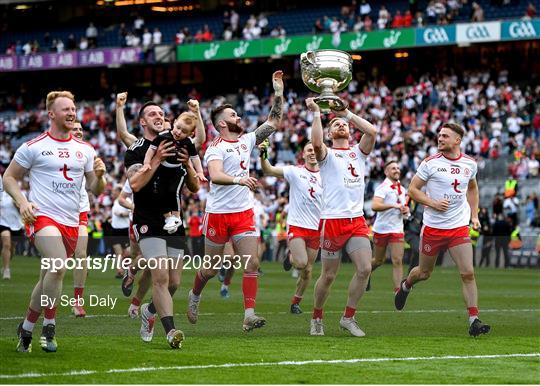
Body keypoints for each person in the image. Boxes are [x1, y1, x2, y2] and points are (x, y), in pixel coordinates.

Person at [3, 91, 106, 353]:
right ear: (51, 114)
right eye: (66, 110)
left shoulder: (85, 149)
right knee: (59, 266)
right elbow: (9, 178)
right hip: (42, 217)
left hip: (71, 220)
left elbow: (95, 188)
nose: (72, 113)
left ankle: (26, 327)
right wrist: (23, 202)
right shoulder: (33, 146)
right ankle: (49, 324)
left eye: (74, 109)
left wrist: (101, 177)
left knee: (48, 276)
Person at [186, 70, 284, 332]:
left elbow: (273, 122)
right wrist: (240, 180)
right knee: (209, 269)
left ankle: (248, 315)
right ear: (221, 124)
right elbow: (215, 175)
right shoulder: (215, 147)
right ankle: (194, 296)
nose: (238, 117)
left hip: (242, 213)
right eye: (233, 115)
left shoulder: (247, 140)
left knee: (252, 262)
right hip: (218, 214)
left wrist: (278, 92)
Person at [394, 123, 491, 337]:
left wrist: (474, 216)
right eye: (439, 135)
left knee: (468, 272)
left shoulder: (470, 164)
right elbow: (412, 190)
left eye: (445, 136)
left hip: (458, 227)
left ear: (457, 140)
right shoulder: (430, 163)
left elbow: (472, 188)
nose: (440, 138)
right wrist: (432, 202)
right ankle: (407, 285)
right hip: (433, 228)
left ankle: (474, 320)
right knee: (424, 273)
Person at [124, 101, 200, 349]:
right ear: (142, 122)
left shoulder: (179, 143)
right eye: (152, 113)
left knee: (175, 282)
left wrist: (188, 164)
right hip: (147, 219)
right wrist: (155, 160)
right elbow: (134, 185)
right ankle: (171, 331)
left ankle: (148, 311)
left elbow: (195, 187)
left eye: (161, 113)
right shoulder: (137, 150)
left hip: (174, 219)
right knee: (160, 276)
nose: (159, 116)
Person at [309, 97, 378, 337]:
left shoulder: (358, 153)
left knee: (364, 269)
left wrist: (346, 113)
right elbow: (316, 143)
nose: (341, 126)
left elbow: (371, 131)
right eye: (335, 124)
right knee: (328, 276)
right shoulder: (327, 154)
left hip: (356, 220)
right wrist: (317, 114)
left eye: (344, 125)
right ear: (329, 133)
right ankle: (317, 316)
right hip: (332, 220)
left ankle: (348, 317)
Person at [258, 139, 322, 314]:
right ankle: (291, 257)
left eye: (314, 149)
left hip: (317, 228)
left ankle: (295, 302)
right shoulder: (295, 171)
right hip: (297, 225)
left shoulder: (327, 174)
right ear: (303, 154)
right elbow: (268, 170)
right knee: (301, 263)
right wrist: (264, 154)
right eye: (308, 150)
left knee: (308, 271)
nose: (311, 152)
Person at [142, 111, 206, 233]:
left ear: (190, 134)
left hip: (177, 170)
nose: (178, 132)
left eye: (183, 132)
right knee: (160, 193)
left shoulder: (188, 142)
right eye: (178, 128)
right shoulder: (163, 136)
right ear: (175, 122)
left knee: (173, 192)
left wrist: (200, 172)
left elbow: (195, 157)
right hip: (162, 169)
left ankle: (176, 217)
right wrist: (146, 163)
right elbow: (151, 149)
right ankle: (168, 219)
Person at [368, 160, 409, 293]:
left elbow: (403, 208)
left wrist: (405, 211)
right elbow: (375, 206)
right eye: (393, 168)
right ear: (386, 172)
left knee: (397, 260)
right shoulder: (382, 188)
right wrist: (393, 205)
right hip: (381, 229)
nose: (396, 170)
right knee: (379, 260)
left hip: (397, 229)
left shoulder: (402, 189)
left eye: (397, 168)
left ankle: (398, 291)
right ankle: (365, 273)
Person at [71, 121, 92, 317]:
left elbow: (94, 184)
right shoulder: (52, 150)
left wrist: (100, 176)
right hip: (56, 212)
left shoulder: (87, 152)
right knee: (55, 262)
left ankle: (77, 301)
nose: (78, 131)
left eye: (80, 129)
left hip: (79, 211)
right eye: (74, 128)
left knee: (81, 255)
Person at [0, 177, 24, 280]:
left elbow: (23, 210)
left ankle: (6, 263)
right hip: (3, 222)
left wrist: (18, 205)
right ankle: (6, 270)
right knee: (6, 244)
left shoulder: (17, 195)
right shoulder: (1, 195)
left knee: (12, 248)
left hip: (16, 224)